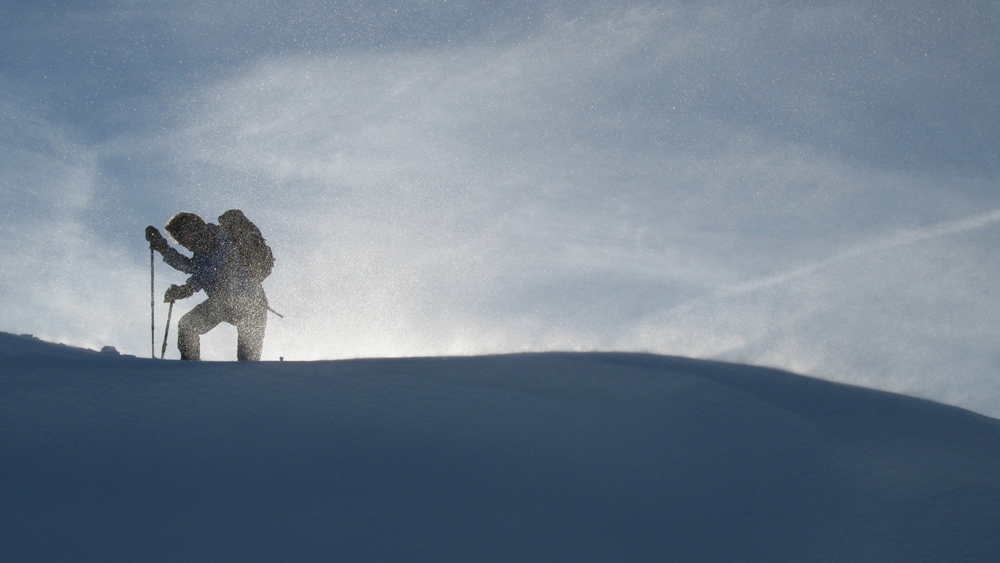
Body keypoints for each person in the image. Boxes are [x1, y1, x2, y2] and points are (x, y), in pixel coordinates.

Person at [145, 212, 268, 361]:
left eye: (182, 234)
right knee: (188, 326)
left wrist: (188, 288)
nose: (182, 241)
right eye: (177, 239)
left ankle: (191, 371)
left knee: (189, 326)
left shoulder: (220, 237)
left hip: (247, 301)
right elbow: (197, 268)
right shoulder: (202, 253)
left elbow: (210, 268)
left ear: (193, 228)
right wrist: (163, 248)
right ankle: (191, 371)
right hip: (237, 303)